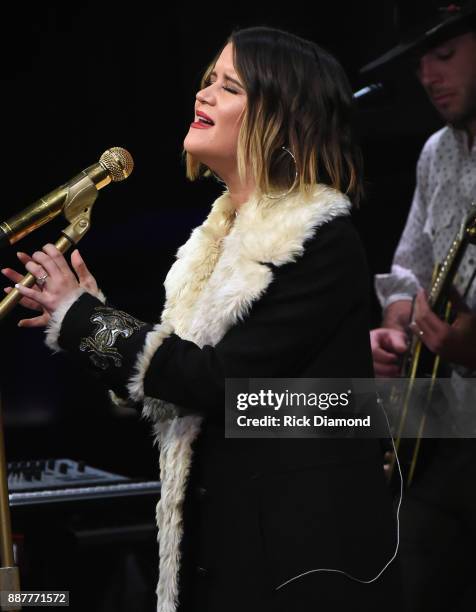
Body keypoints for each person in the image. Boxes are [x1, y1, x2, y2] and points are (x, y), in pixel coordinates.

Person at [3, 27, 400, 612]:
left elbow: (219, 384)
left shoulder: (321, 239)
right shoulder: (211, 244)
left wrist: (86, 319)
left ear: (280, 117)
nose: (204, 94)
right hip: (223, 544)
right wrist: (91, 319)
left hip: (289, 562)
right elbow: (175, 390)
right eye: (208, 80)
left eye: (230, 86)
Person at [362, 1, 476, 610]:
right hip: (445, 429)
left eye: (446, 54)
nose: (428, 76)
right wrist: (398, 325)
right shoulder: (437, 152)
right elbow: (408, 267)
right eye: (420, 63)